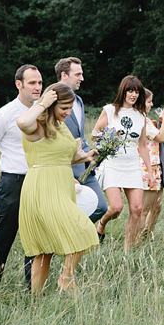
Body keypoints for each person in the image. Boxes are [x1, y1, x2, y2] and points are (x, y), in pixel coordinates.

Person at [16, 83, 99, 293]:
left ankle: (36, 300)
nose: (68, 113)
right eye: (63, 108)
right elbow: (22, 121)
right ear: (51, 105)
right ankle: (66, 278)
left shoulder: (61, 127)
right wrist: (42, 103)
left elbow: (65, 158)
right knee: (83, 228)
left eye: (70, 108)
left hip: (62, 186)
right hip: (43, 188)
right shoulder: (37, 126)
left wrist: (86, 157)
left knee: (46, 251)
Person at [0, 64, 43, 285]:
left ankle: (31, 286)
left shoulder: (44, 112)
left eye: (40, 82)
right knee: (4, 236)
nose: (37, 87)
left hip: (38, 182)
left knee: (35, 238)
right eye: (32, 82)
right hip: (12, 183)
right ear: (18, 84)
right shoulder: (4, 115)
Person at [94, 75, 154, 251]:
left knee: (137, 209)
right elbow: (95, 133)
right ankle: (102, 223)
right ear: (123, 91)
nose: (133, 95)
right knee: (116, 207)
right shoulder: (110, 110)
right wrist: (108, 140)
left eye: (136, 91)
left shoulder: (140, 116)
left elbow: (142, 146)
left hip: (132, 166)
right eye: (130, 90)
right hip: (112, 164)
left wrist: (149, 171)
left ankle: (127, 250)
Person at [55, 57, 107, 222]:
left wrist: (92, 155)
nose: (82, 78)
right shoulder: (52, 102)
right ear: (64, 75)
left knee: (101, 207)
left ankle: (74, 234)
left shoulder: (79, 101)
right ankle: (68, 241)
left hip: (85, 166)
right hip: (65, 167)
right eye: (78, 74)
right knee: (67, 209)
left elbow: (80, 134)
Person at [137, 89, 164, 241]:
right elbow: (161, 137)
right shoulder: (141, 121)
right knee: (144, 209)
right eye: (149, 101)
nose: (151, 104)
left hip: (156, 167)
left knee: (157, 207)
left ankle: (147, 237)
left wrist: (161, 121)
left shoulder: (148, 121)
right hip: (146, 168)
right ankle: (138, 241)